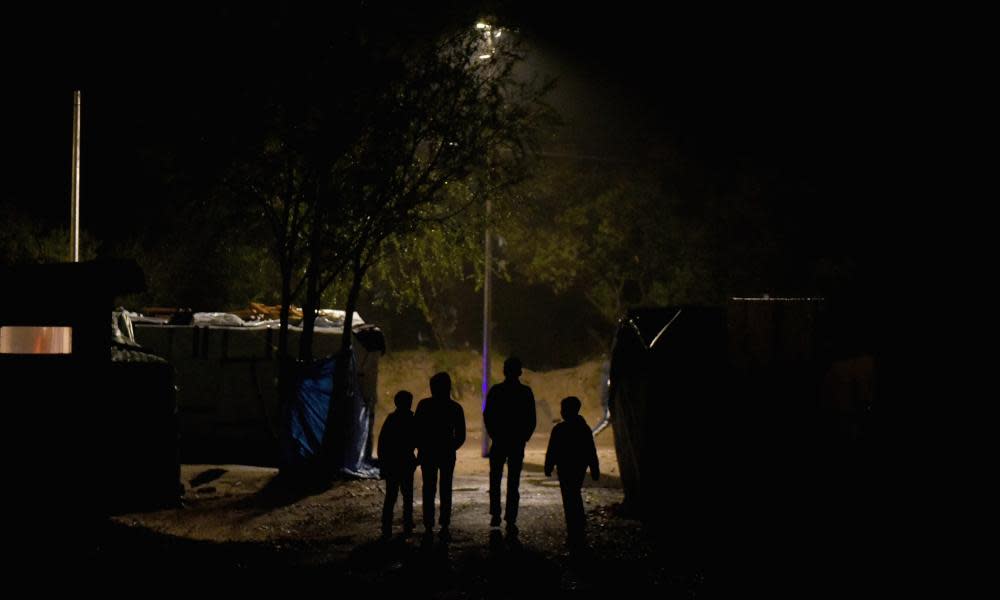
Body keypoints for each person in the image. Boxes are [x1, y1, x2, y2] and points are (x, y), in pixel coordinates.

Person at [483, 356, 536, 532]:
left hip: (500, 441)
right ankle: (511, 517)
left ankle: (496, 514)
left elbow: (488, 416)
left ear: (504, 371)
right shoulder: (525, 392)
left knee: (495, 479)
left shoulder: (496, 391)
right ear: (519, 372)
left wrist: (494, 435)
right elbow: (531, 419)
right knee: (514, 482)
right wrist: (523, 437)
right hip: (516, 442)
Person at [415, 372, 466, 540]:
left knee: (428, 488)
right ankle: (444, 522)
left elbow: (417, 431)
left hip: (429, 452)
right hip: (446, 453)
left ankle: (429, 523)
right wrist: (451, 447)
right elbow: (461, 435)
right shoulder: (455, 408)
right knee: (445, 488)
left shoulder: (424, 405)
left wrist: (420, 449)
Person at [544, 396, 600, 548]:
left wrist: (548, 466)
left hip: (564, 467)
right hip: (579, 467)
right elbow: (591, 451)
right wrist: (594, 469)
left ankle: (574, 525)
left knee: (569, 495)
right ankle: (579, 523)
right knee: (574, 492)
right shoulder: (584, 429)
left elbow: (552, 450)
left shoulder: (559, 429)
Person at [378, 390, 417, 539]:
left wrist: (383, 464)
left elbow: (383, 443)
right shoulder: (411, 419)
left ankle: (386, 525)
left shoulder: (391, 419)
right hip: (406, 462)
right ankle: (407, 524)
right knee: (407, 496)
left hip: (392, 463)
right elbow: (417, 439)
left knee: (391, 496)